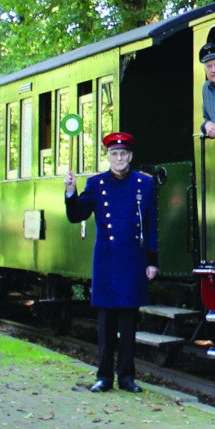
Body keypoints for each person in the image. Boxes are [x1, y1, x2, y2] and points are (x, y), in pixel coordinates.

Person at [63, 131, 158, 392]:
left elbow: (151, 226)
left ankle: (127, 377)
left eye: (123, 154)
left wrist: (152, 261)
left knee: (128, 323)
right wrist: (71, 192)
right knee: (105, 325)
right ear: (108, 156)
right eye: (114, 154)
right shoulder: (96, 184)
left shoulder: (144, 183)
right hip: (106, 260)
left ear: (130, 156)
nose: (119, 158)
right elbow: (76, 215)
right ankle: (104, 376)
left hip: (132, 260)